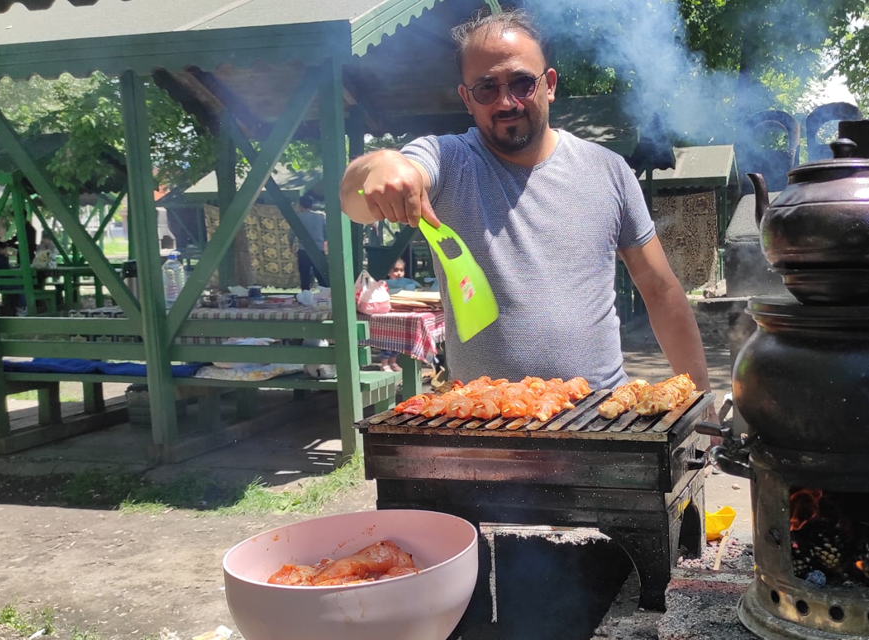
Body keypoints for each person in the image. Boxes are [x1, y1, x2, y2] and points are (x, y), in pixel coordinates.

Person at [337, 8, 710, 399]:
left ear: (548, 84)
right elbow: (354, 200)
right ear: (467, 98)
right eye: (487, 88)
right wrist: (381, 164)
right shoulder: (447, 160)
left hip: (600, 417)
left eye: (521, 83)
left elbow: (661, 290)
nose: (506, 101)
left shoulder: (609, 171)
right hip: (486, 421)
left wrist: (703, 401)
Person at [378, 259, 420, 372]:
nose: (399, 273)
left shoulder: (406, 283)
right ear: (389, 272)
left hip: (399, 315)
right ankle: (384, 364)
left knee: (397, 341)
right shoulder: (384, 284)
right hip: (387, 316)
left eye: (401, 270)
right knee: (386, 340)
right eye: (395, 270)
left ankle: (393, 362)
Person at [290, 193, 329, 291]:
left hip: (303, 250)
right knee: (321, 275)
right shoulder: (321, 217)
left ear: (300, 205)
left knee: (304, 275)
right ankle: (324, 295)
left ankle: (306, 295)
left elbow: (291, 234)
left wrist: (290, 245)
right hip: (318, 249)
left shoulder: (297, 217)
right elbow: (326, 233)